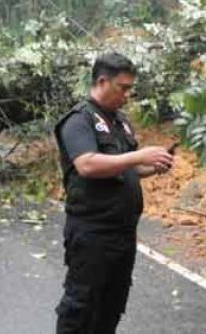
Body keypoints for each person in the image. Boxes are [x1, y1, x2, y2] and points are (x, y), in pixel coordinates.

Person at [54, 52, 175, 334]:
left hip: (122, 233)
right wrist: (137, 157)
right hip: (92, 233)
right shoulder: (78, 120)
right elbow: (87, 164)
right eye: (123, 87)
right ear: (102, 81)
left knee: (111, 306)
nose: (127, 95)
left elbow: (124, 168)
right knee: (81, 307)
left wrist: (152, 166)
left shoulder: (120, 122)